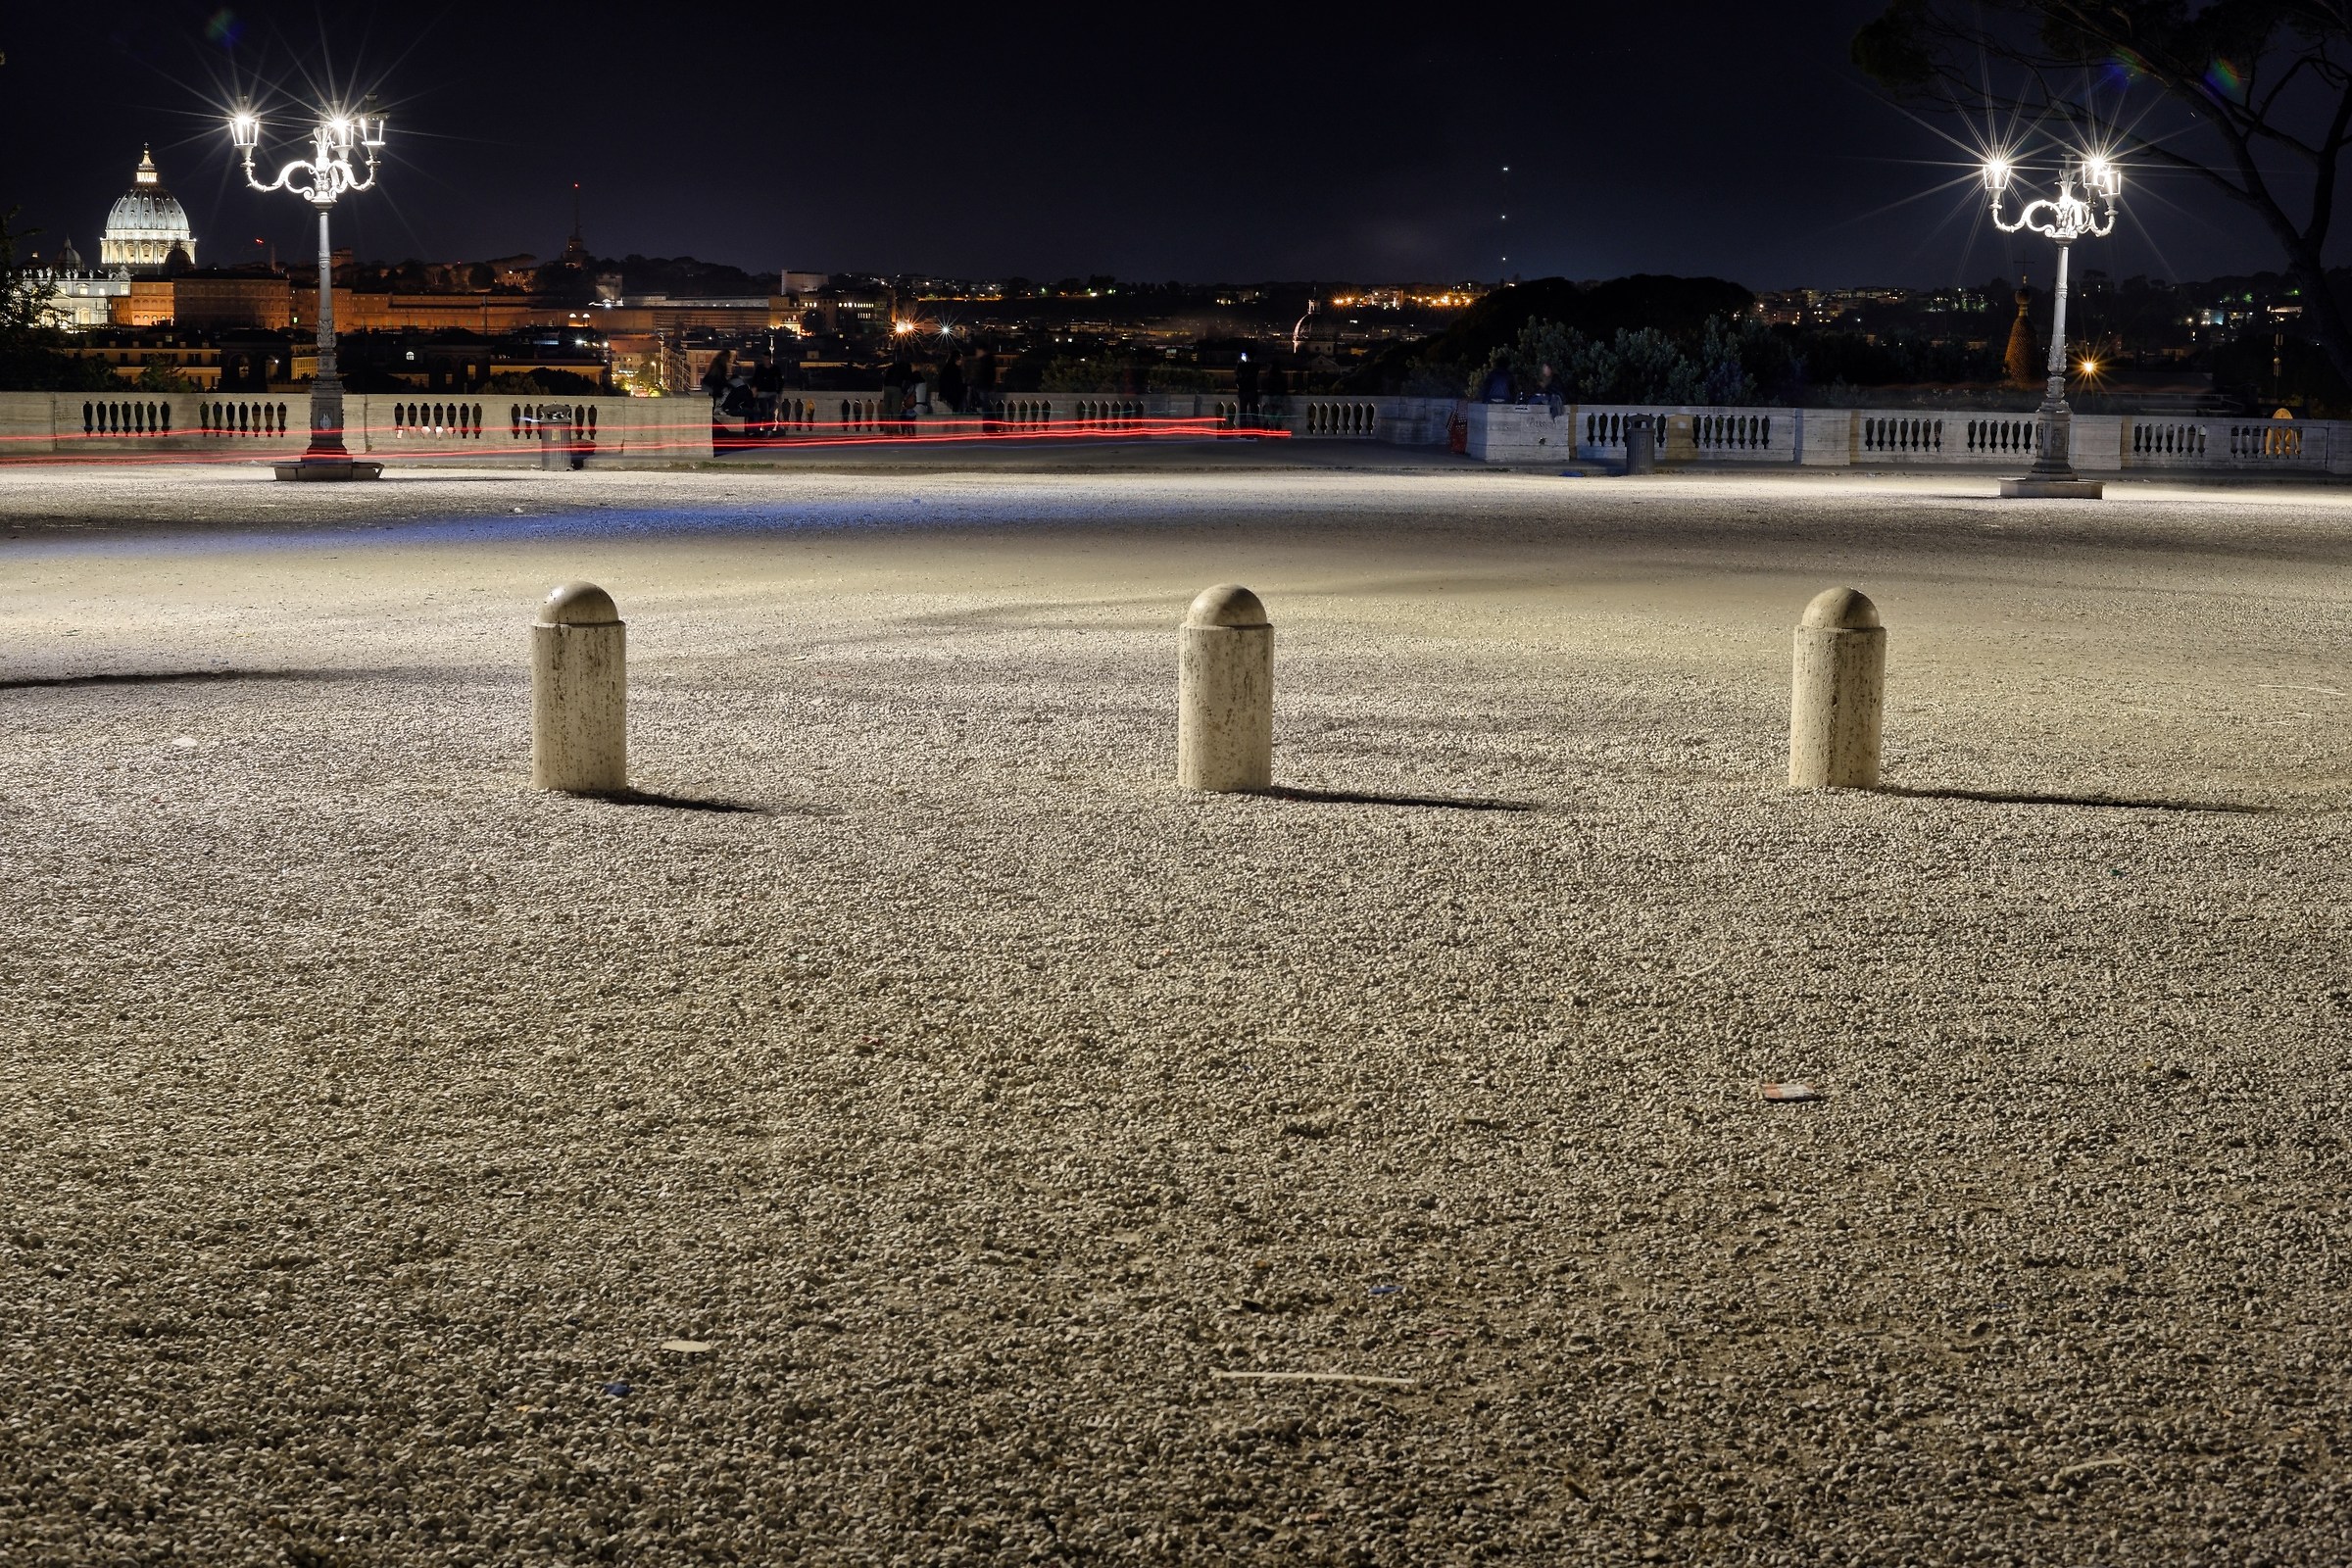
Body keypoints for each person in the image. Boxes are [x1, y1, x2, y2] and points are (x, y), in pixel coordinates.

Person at [937, 351, 966, 416]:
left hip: (950, 392)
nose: (961, 361)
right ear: (956, 359)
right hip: (953, 392)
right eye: (960, 359)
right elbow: (957, 383)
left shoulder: (949, 367)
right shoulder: (954, 369)